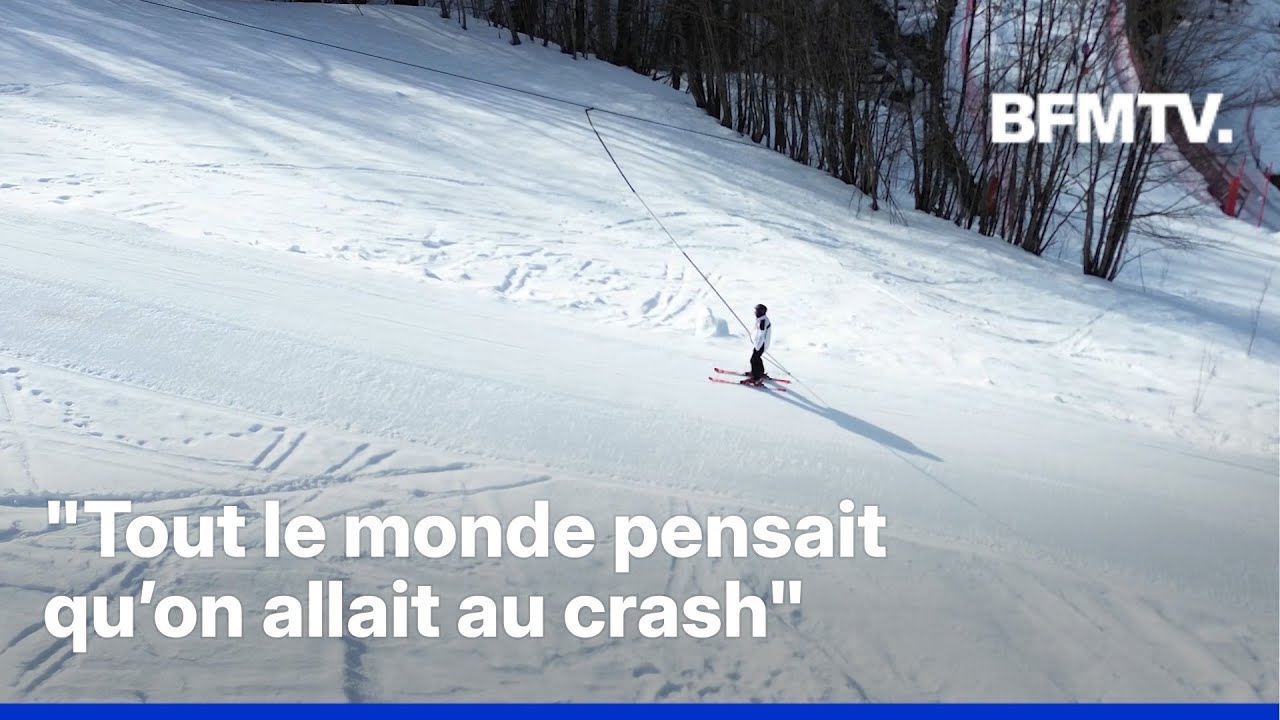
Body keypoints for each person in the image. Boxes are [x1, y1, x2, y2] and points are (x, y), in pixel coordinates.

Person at [742, 303, 772, 385]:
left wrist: (758, 346)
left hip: (761, 344)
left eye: (756, 311)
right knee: (757, 358)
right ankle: (759, 372)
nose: (755, 312)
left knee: (754, 359)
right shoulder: (762, 319)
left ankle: (756, 378)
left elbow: (762, 335)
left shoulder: (762, 321)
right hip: (760, 344)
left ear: (760, 312)